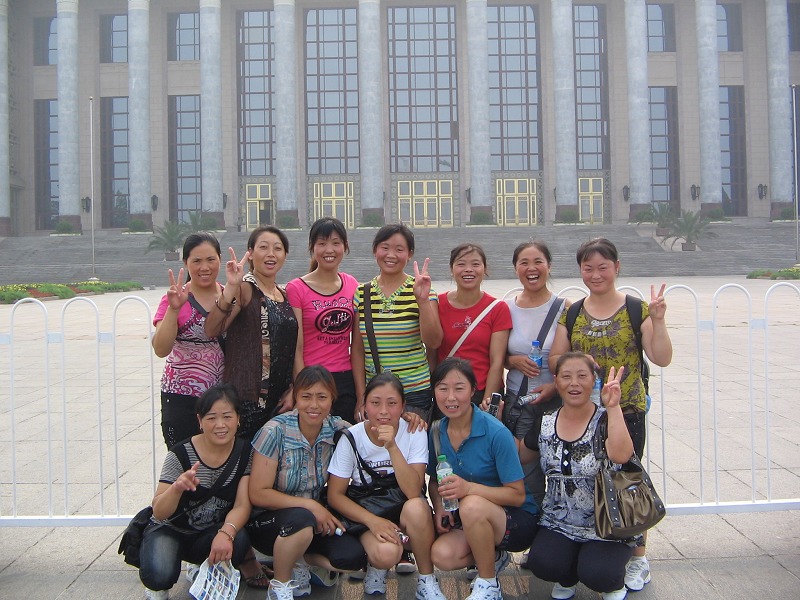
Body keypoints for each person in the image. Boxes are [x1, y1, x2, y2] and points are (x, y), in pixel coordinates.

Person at [549, 237, 673, 593]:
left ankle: (638, 558)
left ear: (617, 267)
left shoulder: (636, 309)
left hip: (626, 411)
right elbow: (555, 360)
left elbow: (661, 357)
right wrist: (579, 364)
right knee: (584, 481)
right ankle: (587, 547)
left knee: (627, 482)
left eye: (603, 267)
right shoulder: (572, 313)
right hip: (583, 415)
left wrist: (659, 320)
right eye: (588, 268)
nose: (595, 274)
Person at [247, 366, 368, 600]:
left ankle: (300, 561)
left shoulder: (338, 430)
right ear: (296, 398)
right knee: (301, 519)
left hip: (315, 520)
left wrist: (406, 419)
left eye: (322, 397)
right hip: (269, 521)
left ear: (332, 399)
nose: (314, 405)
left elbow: (373, 432)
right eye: (306, 396)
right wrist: (311, 506)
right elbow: (258, 493)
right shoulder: (275, 431)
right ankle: (280, 585)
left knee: (352, 557)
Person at [520, 352, 633, 600]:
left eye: (582, 376)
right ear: (556, 381)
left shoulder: (605, 419)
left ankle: (614, 583)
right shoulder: (545, 422)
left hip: (605, 524)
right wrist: (492, 421)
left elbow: (622, 455)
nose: (574, 383)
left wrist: (613, 407)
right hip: (559, 522)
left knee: (598, 574)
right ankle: (568, 576)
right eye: (566, 376)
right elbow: (520, 456)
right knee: (543, 564)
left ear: (593, 380)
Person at [326, 372, 446, 599]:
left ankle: (426, 579)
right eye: (375, 403)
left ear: (403, 406)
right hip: (368, 510)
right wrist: (373, 522)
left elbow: (413, 490)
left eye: (392, 403)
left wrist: (391, 446)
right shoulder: (351, 437)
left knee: (418, 507)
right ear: (364, 405)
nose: (383, 411)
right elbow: (335, 495)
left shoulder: (414, 431)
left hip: (404, 508)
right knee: (386, 554)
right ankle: (376, 566)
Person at [428, 357, 538, 600]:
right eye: (443, 388)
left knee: (471, 505)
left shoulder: (495, 432)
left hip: (515, 519)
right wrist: (439, 507)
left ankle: (488, 584)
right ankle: (494, 556)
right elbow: (434, 480)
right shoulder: (436, 431)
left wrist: (468, 489)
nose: (450, 397)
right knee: (442, 556)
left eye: (459, 388)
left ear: (473, 391)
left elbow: (517, 495)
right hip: (471, 519)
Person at [138, 384, 257, 600]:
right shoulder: (180, 453)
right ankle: (159, 582)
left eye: (227, 417)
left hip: (208, 532)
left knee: (238, 539)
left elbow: (242, 505)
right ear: (200, 421)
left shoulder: (245, 452)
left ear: (238, 419)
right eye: (211, 418)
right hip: (171, 529)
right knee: (159, 575)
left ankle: (201, 567)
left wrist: (226, 533)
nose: (220, 425)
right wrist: (176, 488)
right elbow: (159, 512)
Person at [205, 226, 298, 441]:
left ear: (285, 255)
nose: (271, 254)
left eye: (278, 248)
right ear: (250, 253)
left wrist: (294, 388)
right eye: (263, 247)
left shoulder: (284, 294)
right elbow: (212, 329)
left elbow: (292, 348)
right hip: (247, 400)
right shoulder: (245, 288)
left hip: (280, 401)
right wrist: (231, 287)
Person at [498, 241, 569, 506]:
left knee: (560, 467)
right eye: (524, 263)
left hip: (556, 403)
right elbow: (497, 357)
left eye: (538, 262)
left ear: (549, 266)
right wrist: (513, 361)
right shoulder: (506, 308)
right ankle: (531, 523)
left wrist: (555, 387)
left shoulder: (565, 308)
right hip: (520, 404)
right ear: (515, 268)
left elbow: (574, 361)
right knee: (525, 473)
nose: (531, 268)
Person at [351, 223, 442, 419]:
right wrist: (361, 396)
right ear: (375, 250)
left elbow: (434, 341)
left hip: (414, 391)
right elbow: (357, 350)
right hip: (376, 393)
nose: (391, 255)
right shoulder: (362, 293)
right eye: (385, 247)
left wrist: (422, 301)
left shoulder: (422, 289)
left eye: (399, 249)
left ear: (409, 254)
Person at [151, 232, 225, 449]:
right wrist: (174, 309)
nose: (205, 267)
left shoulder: (230, 296)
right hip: (181, 397)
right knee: (184, 460)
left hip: (222, 399)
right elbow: (161, 349)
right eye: (197, 261)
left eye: (211, 259)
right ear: (185, 263)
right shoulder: (175, 298)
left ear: (220, 259)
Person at [286, 217, 360, 420]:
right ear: (312, 247)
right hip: (311, 379)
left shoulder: (352, 284)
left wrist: (361, 395)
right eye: (322, 243)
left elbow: (357, 346)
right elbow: (297, 347)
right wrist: (300, 388)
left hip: (344, 380)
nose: (329, 250)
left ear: (345, 246)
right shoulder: (296, 288)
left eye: (336, 243)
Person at [434, 243, 511, 406]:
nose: (468, 270)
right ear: (451, 269)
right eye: (461, 264)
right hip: (447, 393)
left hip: (481, 391)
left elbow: (497, 362)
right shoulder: (437, 304)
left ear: (484, 268)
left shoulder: (497, 308)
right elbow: (431, 354)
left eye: (475, 264)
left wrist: (488, 402)